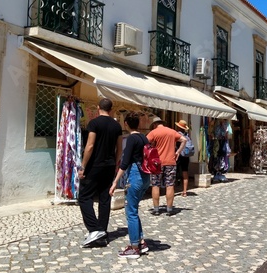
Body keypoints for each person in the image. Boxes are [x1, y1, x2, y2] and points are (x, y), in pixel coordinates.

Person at [78, 98, 122, 248]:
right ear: (111, 109)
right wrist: (115, 165)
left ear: (98, 108)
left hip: (95, 165)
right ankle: (102, 231)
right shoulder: (117, 126)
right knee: (104, 198)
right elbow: (120, 149)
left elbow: (90, 146)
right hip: (109, 165)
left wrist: (83, 165)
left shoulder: (94, 123)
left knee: (84, 197)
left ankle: (94, 229)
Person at [109, 111, 151, 259]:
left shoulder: (132, 139)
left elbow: (125, 163)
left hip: (135, 176)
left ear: (125, 124)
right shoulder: (144, 138)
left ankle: (134, 248)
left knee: (131, 212)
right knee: (133, 210)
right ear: (138, 124)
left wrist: (115, 182)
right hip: (145, 177)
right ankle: (141, 242)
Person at [147, 116, 187, 216]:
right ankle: (169, 209)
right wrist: (178, 152)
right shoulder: (171, 131)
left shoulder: (154, 132)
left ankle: (156, 209)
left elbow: (145, 142)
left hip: (157, 163)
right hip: (170, 161)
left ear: (155, 125)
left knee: (155, 185)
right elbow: (184, 140)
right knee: (170, 185)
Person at [175, 119, 191, 197]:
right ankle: (185, 192)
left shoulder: (177, 134)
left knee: (174, 172)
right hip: (186, 156)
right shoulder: (187, 135)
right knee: (185, 173)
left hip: (178, 155)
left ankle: (172, 190)